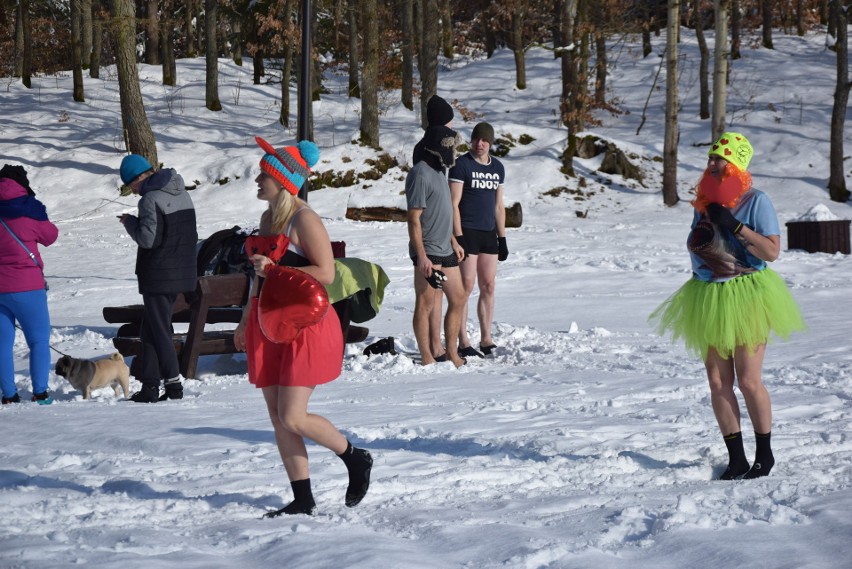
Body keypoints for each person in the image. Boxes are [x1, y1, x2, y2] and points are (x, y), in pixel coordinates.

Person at [651, 132, 804, 480]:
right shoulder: (704, 202)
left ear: (735, 164)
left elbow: (772, 252)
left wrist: (736, 226)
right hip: (708, 295)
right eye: (710, 158)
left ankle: (764, 455)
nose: (711, 164)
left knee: (749, 381)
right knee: (718, 382)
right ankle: (736, 459)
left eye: (719, 159)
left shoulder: (756, 200)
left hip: (748, 294)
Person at [233, 137, 372, 517]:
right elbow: (259, 277)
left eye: (265, 175)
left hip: (305, 324)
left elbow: (327, 273)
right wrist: (247, 316)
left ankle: (354, 456)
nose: (257, 181)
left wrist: (278, 270)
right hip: (268, 321)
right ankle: (302, 498)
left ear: (283, 180)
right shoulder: (267, 219)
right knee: (278, 418)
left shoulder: (305, 219)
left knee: (293, 415)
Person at [118, 154, 197, 403]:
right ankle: (150, 386)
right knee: (150, 328)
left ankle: (173, 382)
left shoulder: (150, 198)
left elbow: (147, 239)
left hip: (159, 274)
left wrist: (130, 222)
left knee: (160, 329)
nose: (132, 189)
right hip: (181, 270)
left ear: (141, 177)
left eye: (132, 184)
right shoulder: (181, 191)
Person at [406, 124, 466, 368]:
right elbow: (414, 218)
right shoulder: (419, 173)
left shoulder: (440, 171)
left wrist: (453, 240)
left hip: (445, 247)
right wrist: (421, 255)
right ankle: (427, 356)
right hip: (429, 251)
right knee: (426, 302)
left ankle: (451, 352)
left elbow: (444, 210)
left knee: (459, 297)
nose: (453, 151)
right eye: (450, 146)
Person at [0, 164, 58, 405]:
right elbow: (51, 236)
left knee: (2, 345)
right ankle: (41, 393)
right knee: (38, 341)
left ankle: (9, 395)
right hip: (28, 288)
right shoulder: (29, 211)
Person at [449, 122, 508, 358]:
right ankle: (463, 340)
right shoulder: (462, 165)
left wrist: (502, 238)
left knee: (489, 285)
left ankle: (486, 338)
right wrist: (458, 236)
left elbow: (498, 205)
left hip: (488, 233)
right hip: (468, 232)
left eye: (484, 140)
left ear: (490, 142)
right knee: (466, 286)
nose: (479, 143)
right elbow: (453, 203)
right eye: (476, 139)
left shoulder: (498, 168)